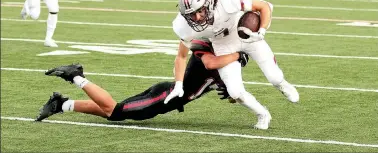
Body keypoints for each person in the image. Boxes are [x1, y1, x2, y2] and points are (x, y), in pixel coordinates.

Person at [166, 0, 300, 130]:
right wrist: (178, 84)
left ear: (209, 2)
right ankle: (263, 114)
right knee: (235, 92)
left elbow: (264, 7)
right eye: (191, 14)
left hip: (245, 35)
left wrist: (261, 31)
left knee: (274, 77)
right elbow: (181, 56)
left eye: (200, 11)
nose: (197, 17)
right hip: (223, 46)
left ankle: (282, 84)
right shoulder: (184, 25)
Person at [35, 39, 250, 122]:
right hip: (165, 96)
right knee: (115, 111)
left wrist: (231, 94)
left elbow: (233, 95)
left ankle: (61, 104)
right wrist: (239, 56)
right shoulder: (212, 57)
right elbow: (209, 63)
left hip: (165, 96)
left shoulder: (224, 69)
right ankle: (76, 76)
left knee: (114, 110)